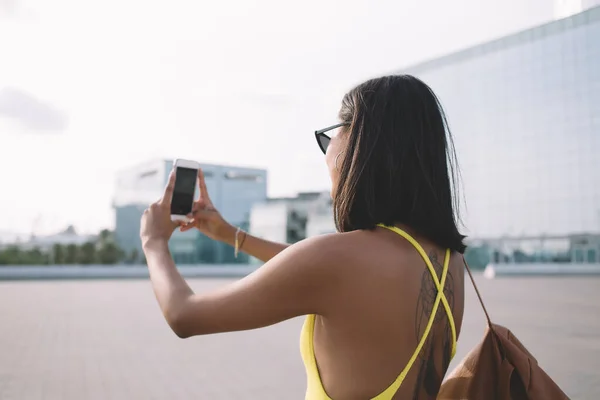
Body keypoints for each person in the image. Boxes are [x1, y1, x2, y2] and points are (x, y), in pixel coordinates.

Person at [140, 74, 466, 400]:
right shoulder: (449, 260)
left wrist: (154, 242)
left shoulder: (337, 261)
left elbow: (185, 315)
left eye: (330, 137)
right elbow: (316, 270)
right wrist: (232, 235)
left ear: (360, 144)